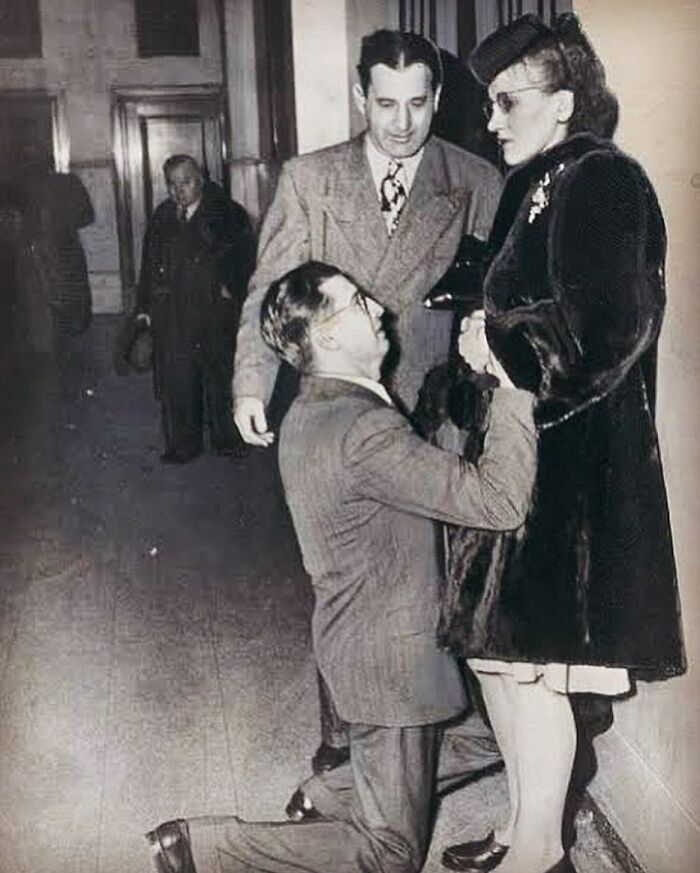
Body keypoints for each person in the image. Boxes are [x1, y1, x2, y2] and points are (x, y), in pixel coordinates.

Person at [145, 260, 537, 873]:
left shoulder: (314, 410)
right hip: (390, 661)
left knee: (491, 736)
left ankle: (328, 793)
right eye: (356, 304)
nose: (378, 309)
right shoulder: (364, 427)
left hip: (360, 640)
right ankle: (202, 849)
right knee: (390, 855)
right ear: (324, 335)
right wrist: (510, 385)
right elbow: (500, 501)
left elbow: (407, 487)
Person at [438, 13, 685, 873]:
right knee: (500, 662)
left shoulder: (603, 177)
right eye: (489, 104)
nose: (492, 121)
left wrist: (501, 347)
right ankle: (520, 824)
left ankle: (539, 852)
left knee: (533, 663)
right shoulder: (536, 179)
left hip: (570, 474)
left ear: (564, 103)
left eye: (508, 102)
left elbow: (615, 326)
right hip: (520, 456)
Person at [232, 26, 503, 777]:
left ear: (438, 99)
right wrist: (252, 383)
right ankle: (340, 737)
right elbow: (268, 291)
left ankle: (433, 738)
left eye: (418, 104)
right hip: (343, 410)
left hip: (437, 418)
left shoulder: (476, 179)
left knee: (432, 588)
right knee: (346, 583)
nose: (402, 122)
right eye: (386, 103)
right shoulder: (311, 178)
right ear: (362, 96)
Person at [136, 155, 255, 463]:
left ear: (201, 178)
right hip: (173, 313)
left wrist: (234, 293)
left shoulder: (228, 214)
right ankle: (182, 445)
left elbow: (247, 263)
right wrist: (145, 307)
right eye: (172, 184)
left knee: (221, 377)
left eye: (186, 182)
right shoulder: (162, 216)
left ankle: (228, 440)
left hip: (215, 311)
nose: (179, 191)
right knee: (177, 378)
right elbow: (148, 265)